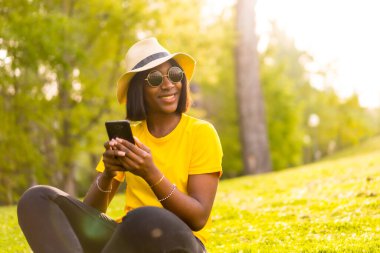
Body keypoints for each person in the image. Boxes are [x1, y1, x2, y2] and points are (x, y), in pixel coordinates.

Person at [17, 37, 223, 253]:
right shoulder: (130, 137)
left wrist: (151, 173)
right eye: (154, 79)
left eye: (174, 74)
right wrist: (107, 173)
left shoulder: (202, 133)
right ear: (138, 89)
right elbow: (91, 215)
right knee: (36, 197)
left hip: (179, 243)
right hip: (125, 239)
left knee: (145, 217)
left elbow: (198, 218)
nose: (168, 84)